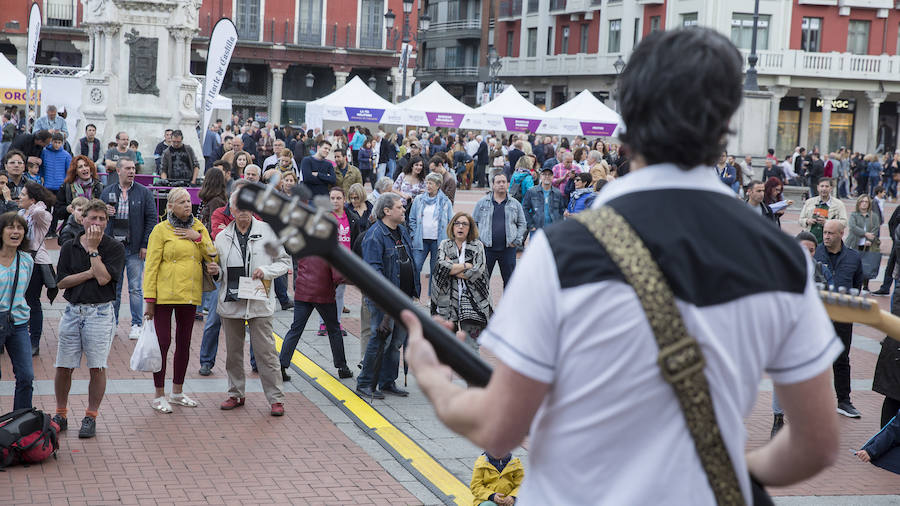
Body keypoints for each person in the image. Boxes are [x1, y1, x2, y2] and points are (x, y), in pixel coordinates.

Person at [404, 28, 841, 504]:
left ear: (627, 118)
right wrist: (719, 472)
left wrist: (432, 379)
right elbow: (816, 444)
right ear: (725, 119)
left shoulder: (565, 251)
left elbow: (499, 424)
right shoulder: (779, 256)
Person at [213, 190, 290, 416]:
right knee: (233, 354)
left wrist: (265, 271)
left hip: (259, 302)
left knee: (266, 353)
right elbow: (219, 274)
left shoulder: (267, 232)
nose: (243, 211)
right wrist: (216, 272)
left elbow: (284, 262)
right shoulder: (222, 237)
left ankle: (276, 399)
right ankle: (236, 393)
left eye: (247, 207)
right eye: (239, 207)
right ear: (232, 210)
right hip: (232, 303)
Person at [53, 199, 125, 438]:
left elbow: (104, 279)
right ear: (82, 219)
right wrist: (88, 273)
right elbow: (61, 282)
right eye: (92, 218)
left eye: (102, 219)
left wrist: (94, 250)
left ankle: (90, 416)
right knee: (64, 366)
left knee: (97, 366)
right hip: (73, 311)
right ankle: (61, 413)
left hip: (100, 312)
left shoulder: (114, 248)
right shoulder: (69, 246)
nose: (97, 223)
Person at [143, 188, 216, 413]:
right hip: (164, 294)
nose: (187, 204)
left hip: (189, 294)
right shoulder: (160, 229)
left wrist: (199, 238)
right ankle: (158, 394)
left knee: (184, 343)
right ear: (170, 206)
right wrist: (149, 299)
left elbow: (213, 255)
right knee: (163, 343)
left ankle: (177, 391)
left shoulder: (198, 227)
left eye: (188, 201)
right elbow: (152, 265)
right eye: (181, 201)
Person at [356, 193, 420, 399]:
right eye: (400, 207)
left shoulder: (401, 230)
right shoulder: (374, 236)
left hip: (403, 298)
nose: (403, 210)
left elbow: (409, 260)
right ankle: (365, 382)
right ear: (387, 211)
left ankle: (386, 381)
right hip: (384, 301)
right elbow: (374, 273)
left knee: (395, 342)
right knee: (379, 338)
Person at [99, 158, 157, 340]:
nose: (132, 171)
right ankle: (112, 323)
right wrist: (104, 213)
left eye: (133, 168)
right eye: (128, 168)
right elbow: (96, 218)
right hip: (113, 249)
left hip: (134, 248)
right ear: (118, 170)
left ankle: (137, 324)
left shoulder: (144, 193)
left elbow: (151, 219)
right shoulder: (107, 191)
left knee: (135, 288)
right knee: (114, 287)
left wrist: (145, 245)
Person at [198, 178, 250, 376]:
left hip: (247, 274)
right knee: (213, 319)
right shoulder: (220, 213)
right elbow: (218, 235)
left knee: (254, 320)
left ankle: (255, 362)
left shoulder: (257, 217)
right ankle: (206, 361)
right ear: (231, 197)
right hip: (224, 274)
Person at [814, 219, 864, 420]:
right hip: (817, 316)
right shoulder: (815, 254)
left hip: (843, 316)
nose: (826, 236)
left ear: (841, 234)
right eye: (825, 232)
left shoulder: (853, 257)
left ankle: (844, 401)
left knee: (841, 358)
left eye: (831, 233)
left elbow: (857, 284)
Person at [431, 211, 492, 349]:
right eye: (457, 223)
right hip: (447, 300)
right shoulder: (445, 244)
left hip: (473, 301)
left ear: (470, 228)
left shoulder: (477, 245)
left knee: (471, 347)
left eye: (465, 224)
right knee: (446, 347)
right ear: (452, 226)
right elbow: (440, 268)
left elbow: (477, 272)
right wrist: (466, 266)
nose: (460, 227)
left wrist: (451, 268)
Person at [0, 212, 35, 410]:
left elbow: (23, 291)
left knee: (26, 376)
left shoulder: (26, 261)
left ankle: (20, 422)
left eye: (20, 228)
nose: (15, 232)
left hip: (18, 323)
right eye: (10, 227)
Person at [19, 182, 55, 356]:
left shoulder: (41, 215)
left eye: (23, 195)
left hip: (36, 262)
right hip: (19, 260)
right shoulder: (20, 213)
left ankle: (34, 341)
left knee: (32, 301)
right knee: (18, 299)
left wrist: (35, 205)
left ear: (32, 199)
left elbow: (40, 212)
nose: (20, 197)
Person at [472, 172, 527, 287]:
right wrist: (478, 241)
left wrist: (517, 240)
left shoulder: (515, 204)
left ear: (507, 184)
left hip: (508, 249)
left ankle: (509, 305)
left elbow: (522, 223)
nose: (501, 184)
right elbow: (473, 223)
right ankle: (484, 305)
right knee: (482, 281)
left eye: (504, 182)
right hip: (487, 249)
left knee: (510, 282)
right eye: (498, 182)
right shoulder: (482, 203)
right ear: (493, 185)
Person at [198, 167, 228, 319]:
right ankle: (202, 307)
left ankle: (209, 307)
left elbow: (214, 225)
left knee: (212, 275)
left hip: (210, 243)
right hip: (206, 242)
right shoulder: (210, 200)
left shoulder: (216, 201)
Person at [55, 155, 104, 232]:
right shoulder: (66, 187)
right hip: (73, 229)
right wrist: (67, 209)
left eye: (86, 165)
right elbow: (57, 211)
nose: (84, 169)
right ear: (75, 171)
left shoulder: (99, 186)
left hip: (94, 228)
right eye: (80, 167)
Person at [799, 178, 848, 244]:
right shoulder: (809, 202)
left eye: (826, 186)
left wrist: (827, 222)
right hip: (810, 239)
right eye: (822, 186)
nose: (824, 189)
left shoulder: (839, 204)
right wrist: (808, 221)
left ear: (831, 188)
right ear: (818, 188)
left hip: (830, 241)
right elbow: (800, 220)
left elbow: (844, 222)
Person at [522, 167, 565, 234]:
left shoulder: (557, 193)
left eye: (550, 174)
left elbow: (561, 210)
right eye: (544, 174)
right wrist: (530, 225)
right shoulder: (532, 191)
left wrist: (559, 225)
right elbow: (524, 209)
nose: (547, 176)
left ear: (553, 177)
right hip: (537, 229)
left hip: (554, 230)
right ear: (540, 176)